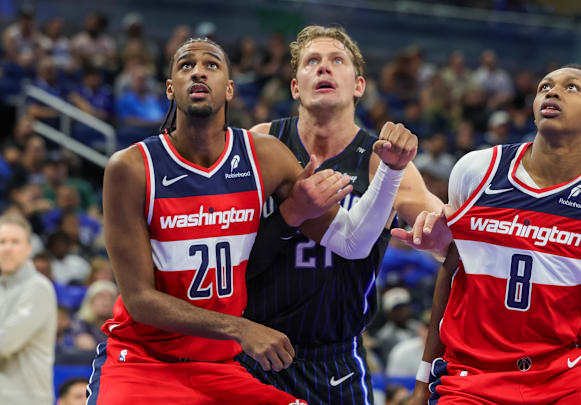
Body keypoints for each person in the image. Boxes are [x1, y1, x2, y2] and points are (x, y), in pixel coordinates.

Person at [88, 37, 416, 404]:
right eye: (185, 65)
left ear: (229, 89)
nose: (198, 71)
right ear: (170, 89)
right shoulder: (130, 168)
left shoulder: (265, 157)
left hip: (220, 366)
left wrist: (390, 170)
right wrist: (239, 328)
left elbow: (353, 242)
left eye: (211, 64)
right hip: (143, 362)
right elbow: (139, 300)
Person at [394, 65, 581, 405]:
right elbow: (453, 271)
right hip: (472, 379)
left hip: (562, 380)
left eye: (572, 87)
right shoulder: (476, 171)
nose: (552, 92)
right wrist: (422, 384)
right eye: (544, 86)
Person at [237, 25, 442, 405]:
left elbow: (443, 229)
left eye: (336, 60)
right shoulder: (261, 141)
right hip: (254, 347)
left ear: (359, 85)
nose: (323, 68)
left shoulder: (382, 158)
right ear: (295, 87)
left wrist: (438, 232)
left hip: (334, 358)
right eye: (311, 62)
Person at [0, 214, 57, 405]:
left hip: (27, 399)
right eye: (2, 242)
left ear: (28, 248)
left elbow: (4, 343)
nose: (7, 248)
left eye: (15, 242)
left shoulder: (38, 288)